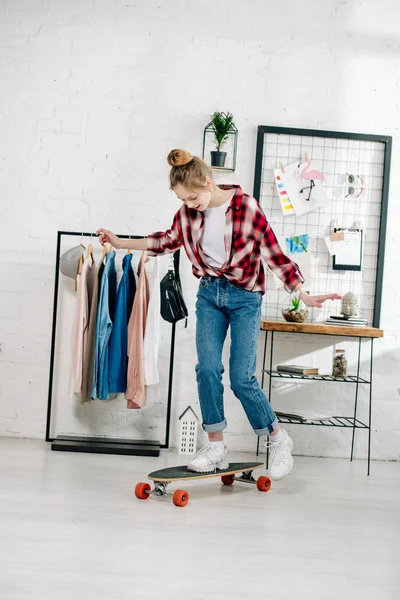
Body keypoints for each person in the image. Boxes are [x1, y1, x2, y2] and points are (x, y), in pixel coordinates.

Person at [97, 149, 341, 480]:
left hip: (245, 299)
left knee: (242, 378)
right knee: (207, 369)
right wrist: (120, 241)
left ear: (209, 183)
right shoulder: (186, 215)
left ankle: (278, 440)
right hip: (209, 295)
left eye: (194, 197)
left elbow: (273, 252)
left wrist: (304, 294)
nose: (191, 204)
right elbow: (164, 242)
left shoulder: (246, 208)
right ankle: (216, 447)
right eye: (184, 199)